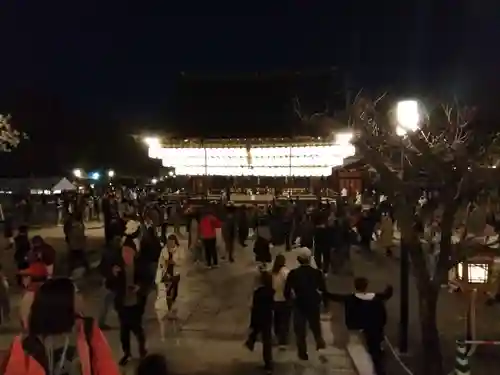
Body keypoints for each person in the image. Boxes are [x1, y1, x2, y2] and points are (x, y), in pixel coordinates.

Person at [2, 278, 120, 375]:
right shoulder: (25, 343)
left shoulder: (87, 329)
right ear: (63, 301)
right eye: (77, 293)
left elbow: (106, 366)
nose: (81, 297)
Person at [327, 277, 393, 375]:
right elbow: (386, 295)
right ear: (366, 286)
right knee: (375, 353)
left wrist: (323, 291)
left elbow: (335, 297)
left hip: (357, 330)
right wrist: (389, 287)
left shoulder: (350, 299)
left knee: (361, 355)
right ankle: (379, 371)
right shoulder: (376, 298)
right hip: (374, 329)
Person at [108, 233, 149, 366]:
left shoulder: (140, 265)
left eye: (128, 251)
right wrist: (112, 275)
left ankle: (142, 350)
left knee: (137, 328)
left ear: (133, 252)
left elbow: (148, 280)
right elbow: (109, 285)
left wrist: (139, 287)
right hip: (123, 304)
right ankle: (127, 353)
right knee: (124, 331)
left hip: (136, 303)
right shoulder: (118, 267)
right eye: (123, 251)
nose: (125, 254)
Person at [284, 247, 326, 361]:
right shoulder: (317, 273)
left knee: (300, 329)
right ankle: (319, 342)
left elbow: (287, 290)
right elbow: (323, 288)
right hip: (313, 302)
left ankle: (303, 353)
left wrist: (289, 300)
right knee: (315, 325)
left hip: (299, 303)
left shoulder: (293, 273)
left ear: (298, 259)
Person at [154, 234, 183, 341]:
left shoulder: (179, 250)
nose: (170, 244)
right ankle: (168, 309)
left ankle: (171, 307)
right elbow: (160, 262)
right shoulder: (164, 250)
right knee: (167, 292)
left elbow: (182, 261)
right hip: (166, 274)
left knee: (174, 292)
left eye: (172, 242)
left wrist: (174, 262)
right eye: (169, 242)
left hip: (175, 274)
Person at [244, 271, 274, 373]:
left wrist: (252, 323)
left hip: (258, 316)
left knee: (256, 330)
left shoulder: (258, 292)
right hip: (268, 317)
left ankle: (250, 341)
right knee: (267, 341)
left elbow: (255, 308)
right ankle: (268, 364)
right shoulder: (271, 291)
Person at [271, 254, 290, 349]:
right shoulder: (285, 272)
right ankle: (283, 340)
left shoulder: (273, 272)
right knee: (284, 321)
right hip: (284, 299)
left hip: (275, 299)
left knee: (277, 320)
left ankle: (277, 337)